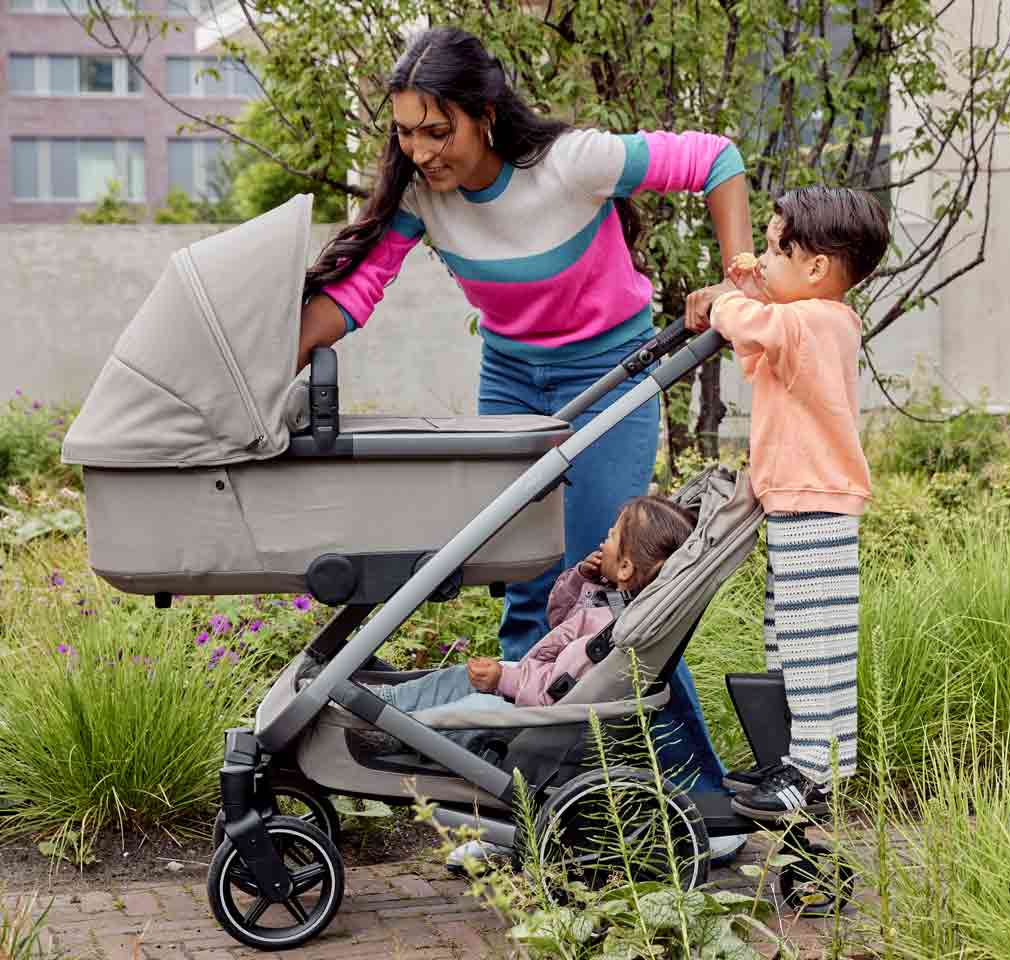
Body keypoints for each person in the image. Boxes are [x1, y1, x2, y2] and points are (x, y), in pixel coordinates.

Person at [297, 27, 752, 848]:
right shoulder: (421, 197)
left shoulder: (571, 163)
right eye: (404, 131)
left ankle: (701, 808)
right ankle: (526, 807)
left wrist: (736, 272)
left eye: (437, 131)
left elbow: (714, 158)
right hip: (511, 382)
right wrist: (271, 354)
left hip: (609, 373)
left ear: (484, 116)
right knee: (522, 587)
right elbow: (357, 292)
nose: (420, 150)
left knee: (618, 604)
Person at [687, 186, 890, 820]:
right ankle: (794, 760)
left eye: (775, 249)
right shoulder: (801, 324)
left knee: (816, 649)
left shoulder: (823, 322)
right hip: (796, 509)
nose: (761, 260)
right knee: (789, 641)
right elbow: (759, 338)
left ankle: (813, 774)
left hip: (819, 510)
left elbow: (756, 325)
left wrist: (728, 299)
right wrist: (749, 287)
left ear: (815, 269)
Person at [368, 495, 695, 722]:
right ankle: (387, 706)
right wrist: (584, 577)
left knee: (474, 705)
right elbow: (559, 617)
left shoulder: (604, 637)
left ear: (625, 568)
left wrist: (502, 680)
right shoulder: (608, 602)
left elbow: (553, 691)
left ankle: (392, 731)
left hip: (533, 715)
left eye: (611, 538)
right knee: (461, 677)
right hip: (528, 688)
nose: (601, 544)